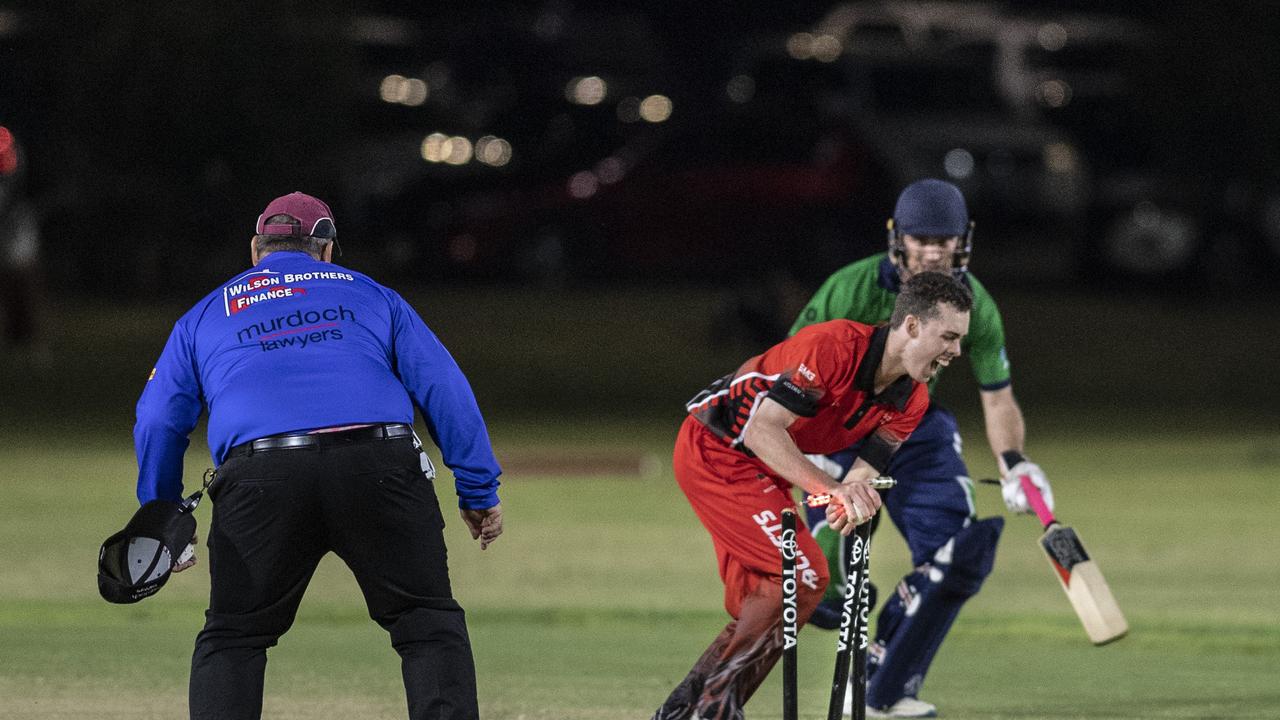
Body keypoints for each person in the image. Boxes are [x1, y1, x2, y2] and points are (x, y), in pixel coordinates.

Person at [132, 192, 503, 720]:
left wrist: (163, 511)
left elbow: (158, 420)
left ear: (255, 250)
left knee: (234, 637)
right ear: (326, 250)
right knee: (427, 625)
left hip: (261, 473)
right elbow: (445, 387)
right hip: (379, 463)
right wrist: (477, 488)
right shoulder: (374, 295)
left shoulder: (204, 314)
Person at [653, 271, 973, 720]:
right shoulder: (832, 347)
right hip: (718, 449)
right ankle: (715, 711)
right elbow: (763, 430)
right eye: (950, 336)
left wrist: (851, 504)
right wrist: (832, 490)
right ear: (914, 326)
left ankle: (682, 712)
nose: (957, 351)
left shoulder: (912, 400)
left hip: (766, 467)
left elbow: (863, 474)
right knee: (802, 577)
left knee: (769, 598)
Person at [792, 178, 1055, 718]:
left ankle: (884, 683)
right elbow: (792, 368)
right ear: (898, 238)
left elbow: (997, 396)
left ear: (964, 241)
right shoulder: (850, 288)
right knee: (829, 582)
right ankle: (851, 673)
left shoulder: (973, 304)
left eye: (946, 239)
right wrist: (806, 451)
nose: (934, 250)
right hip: (836, 425)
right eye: (922, 238)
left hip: (912, 425)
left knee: (956, 553)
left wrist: (1014, 463)